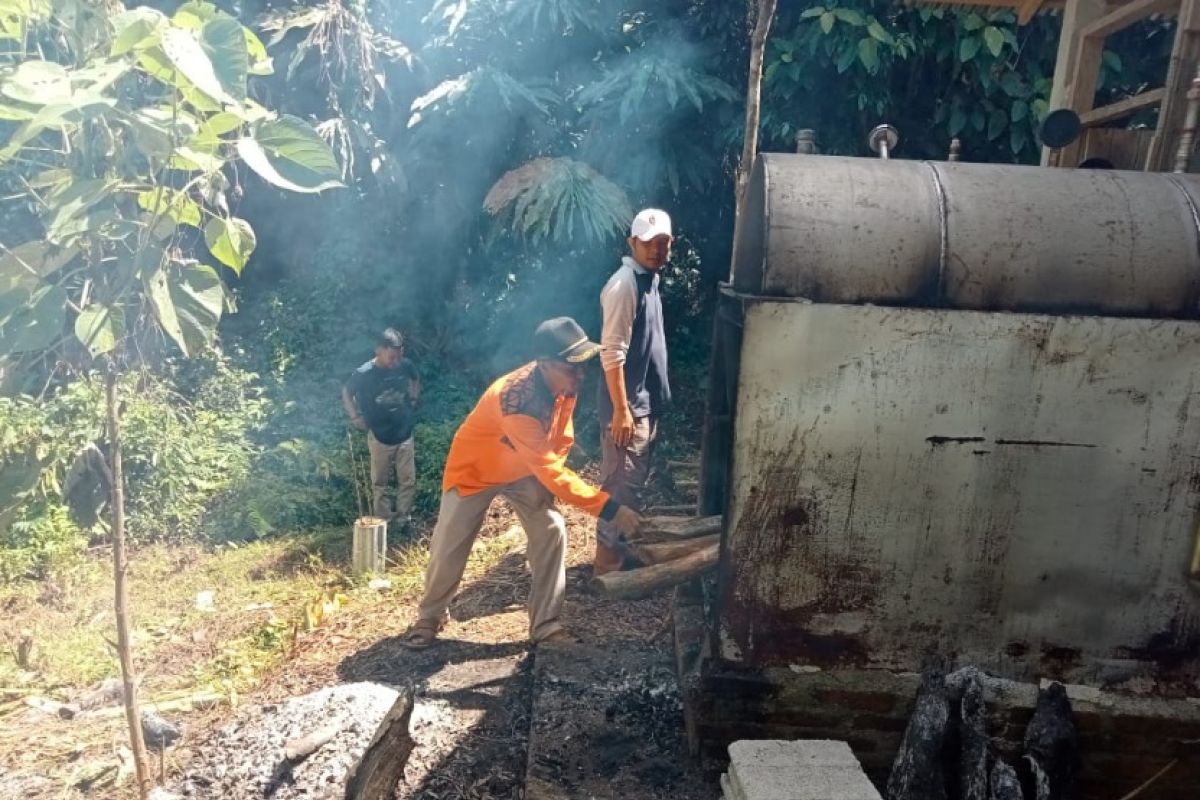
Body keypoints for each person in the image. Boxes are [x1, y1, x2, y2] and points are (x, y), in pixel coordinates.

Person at [400, 317, 641, 648]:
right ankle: (429, 617)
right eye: (571, 367)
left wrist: (547, 479)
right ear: (544, 365)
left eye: (582, 366)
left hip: (524, 467)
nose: (580, 374)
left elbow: (560, 438)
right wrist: (609, 508)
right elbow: (549, 468)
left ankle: (546, 625)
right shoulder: (516, 400)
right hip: (476, 471)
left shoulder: (563, 386)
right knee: (449, 543)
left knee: (551, 529)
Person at [594, 208, 673, 575]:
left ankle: (621, 553)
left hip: (644, 405)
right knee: (620, 486)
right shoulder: (625, 284)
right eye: (649, 243)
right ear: (632, 243)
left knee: (632, 484)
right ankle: (608, 567)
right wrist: (621, 410)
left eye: (663, 243)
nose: (657, 250)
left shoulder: (649, 280)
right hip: (628, 408)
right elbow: (611, 352)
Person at [342, 328, 421, 525]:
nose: (396, 362)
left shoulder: (405, 365)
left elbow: (415, 378)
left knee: (408, 481)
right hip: (379, 435)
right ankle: (383, 521)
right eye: (392, 357)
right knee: (380, 484)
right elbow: (346, 392)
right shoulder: (364, 373)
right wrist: (354, 416)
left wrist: (413, 397)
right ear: (379, 350)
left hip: (405, 433)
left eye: (399, 356)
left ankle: (403, 519)